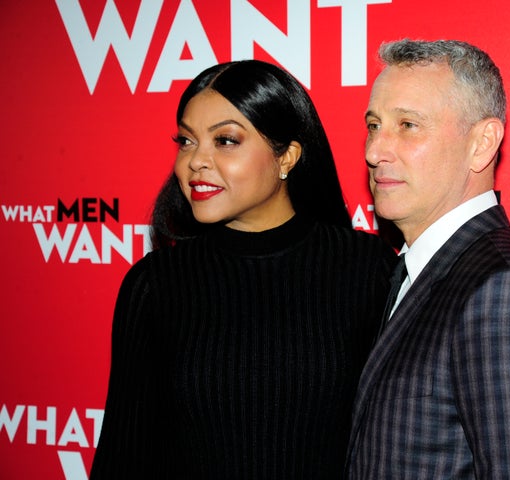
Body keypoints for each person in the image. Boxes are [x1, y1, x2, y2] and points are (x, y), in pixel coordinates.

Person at [90, 60, 396, 479]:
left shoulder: (369, 270)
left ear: (286, 155)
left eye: (226, 141)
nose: (196, 161)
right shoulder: (156, 285)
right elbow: (124, 457)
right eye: (186, 140)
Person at [345, 39, 510, 479]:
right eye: (373, 125)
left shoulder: (509, 294)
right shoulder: (414, 271)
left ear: (482, 143)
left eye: (407, 125)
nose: (374, 151)